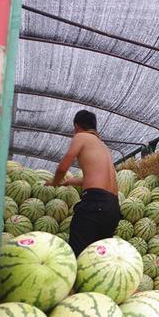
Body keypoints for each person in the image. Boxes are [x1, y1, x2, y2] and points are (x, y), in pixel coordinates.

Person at [46, 110, 120, 257]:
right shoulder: (104, 147)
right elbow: (98, 178)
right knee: (98, 259)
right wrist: (71, 181)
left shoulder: (81, 136)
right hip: (113, 208)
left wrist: (54, 182)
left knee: (78, 255)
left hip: (95, 203)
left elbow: (62, 167)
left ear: (76, 126)